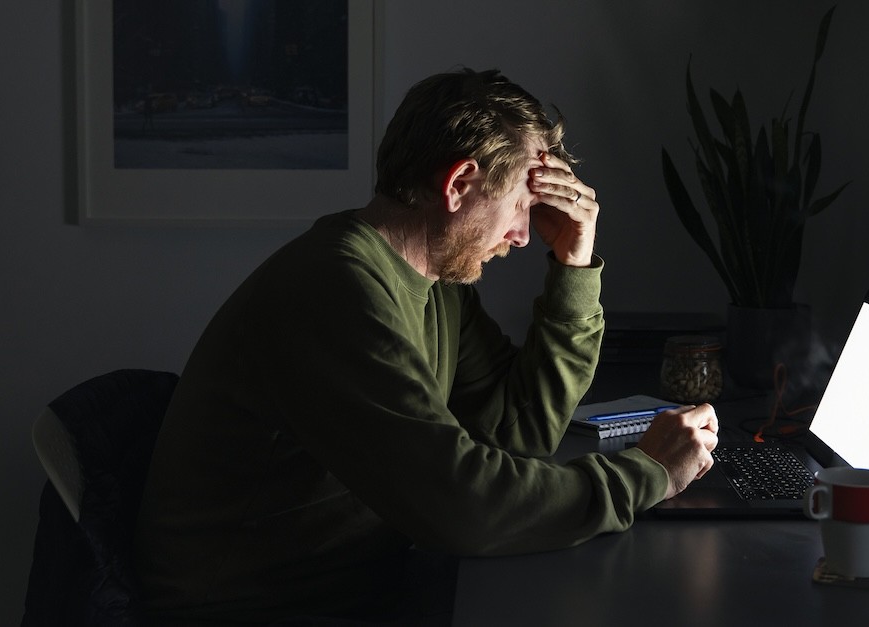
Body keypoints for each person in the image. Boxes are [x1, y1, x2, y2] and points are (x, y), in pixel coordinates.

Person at [134, 68, 719, 624]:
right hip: (262, 613)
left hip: (362, 586)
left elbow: (517, 431)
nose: (524, 235)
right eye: (522, 205)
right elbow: (462, 506)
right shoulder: (334, 287)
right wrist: (648, 474)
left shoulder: (438, 283)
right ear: (459, 184)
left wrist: (574, 263)